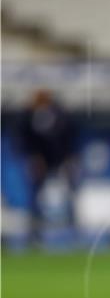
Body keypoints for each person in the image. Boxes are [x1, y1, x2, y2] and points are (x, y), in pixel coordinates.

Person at [17, 89, 79, 245]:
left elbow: (69, 137)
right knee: (35, 198)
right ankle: (35, 233)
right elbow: (24, 140)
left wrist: (69, 159)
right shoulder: (28, 117)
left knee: (70, 194)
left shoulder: (60, 116)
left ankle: (72, 231)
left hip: (60, 160)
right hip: (39, 162)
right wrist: (34, 158)